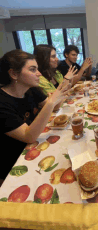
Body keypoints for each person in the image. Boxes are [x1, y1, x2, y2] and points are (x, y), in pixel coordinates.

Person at [0, 50, 71, 180]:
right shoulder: (3, 103)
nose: (39, 74)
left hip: (36, 145)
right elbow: (29, 136)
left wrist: (53, 100)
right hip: (15, 162)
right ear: (14, 74)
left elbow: (56, 106)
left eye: (37, 69)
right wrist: (51, 101)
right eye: (33, 70)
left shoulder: (31, 89)